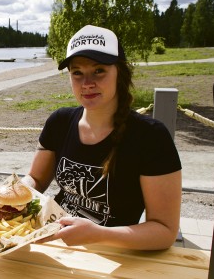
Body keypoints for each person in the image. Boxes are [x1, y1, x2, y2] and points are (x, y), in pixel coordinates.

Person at [22, 24, 182, 250]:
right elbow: (35, 180)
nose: (87, 83)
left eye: (99, 71)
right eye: (77, 72)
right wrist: (18, 189)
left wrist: (98, 234)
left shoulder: (151, 137)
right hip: (53, 244)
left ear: (120, 72)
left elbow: (164, 231)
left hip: (113, 253)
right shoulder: (59, 121)